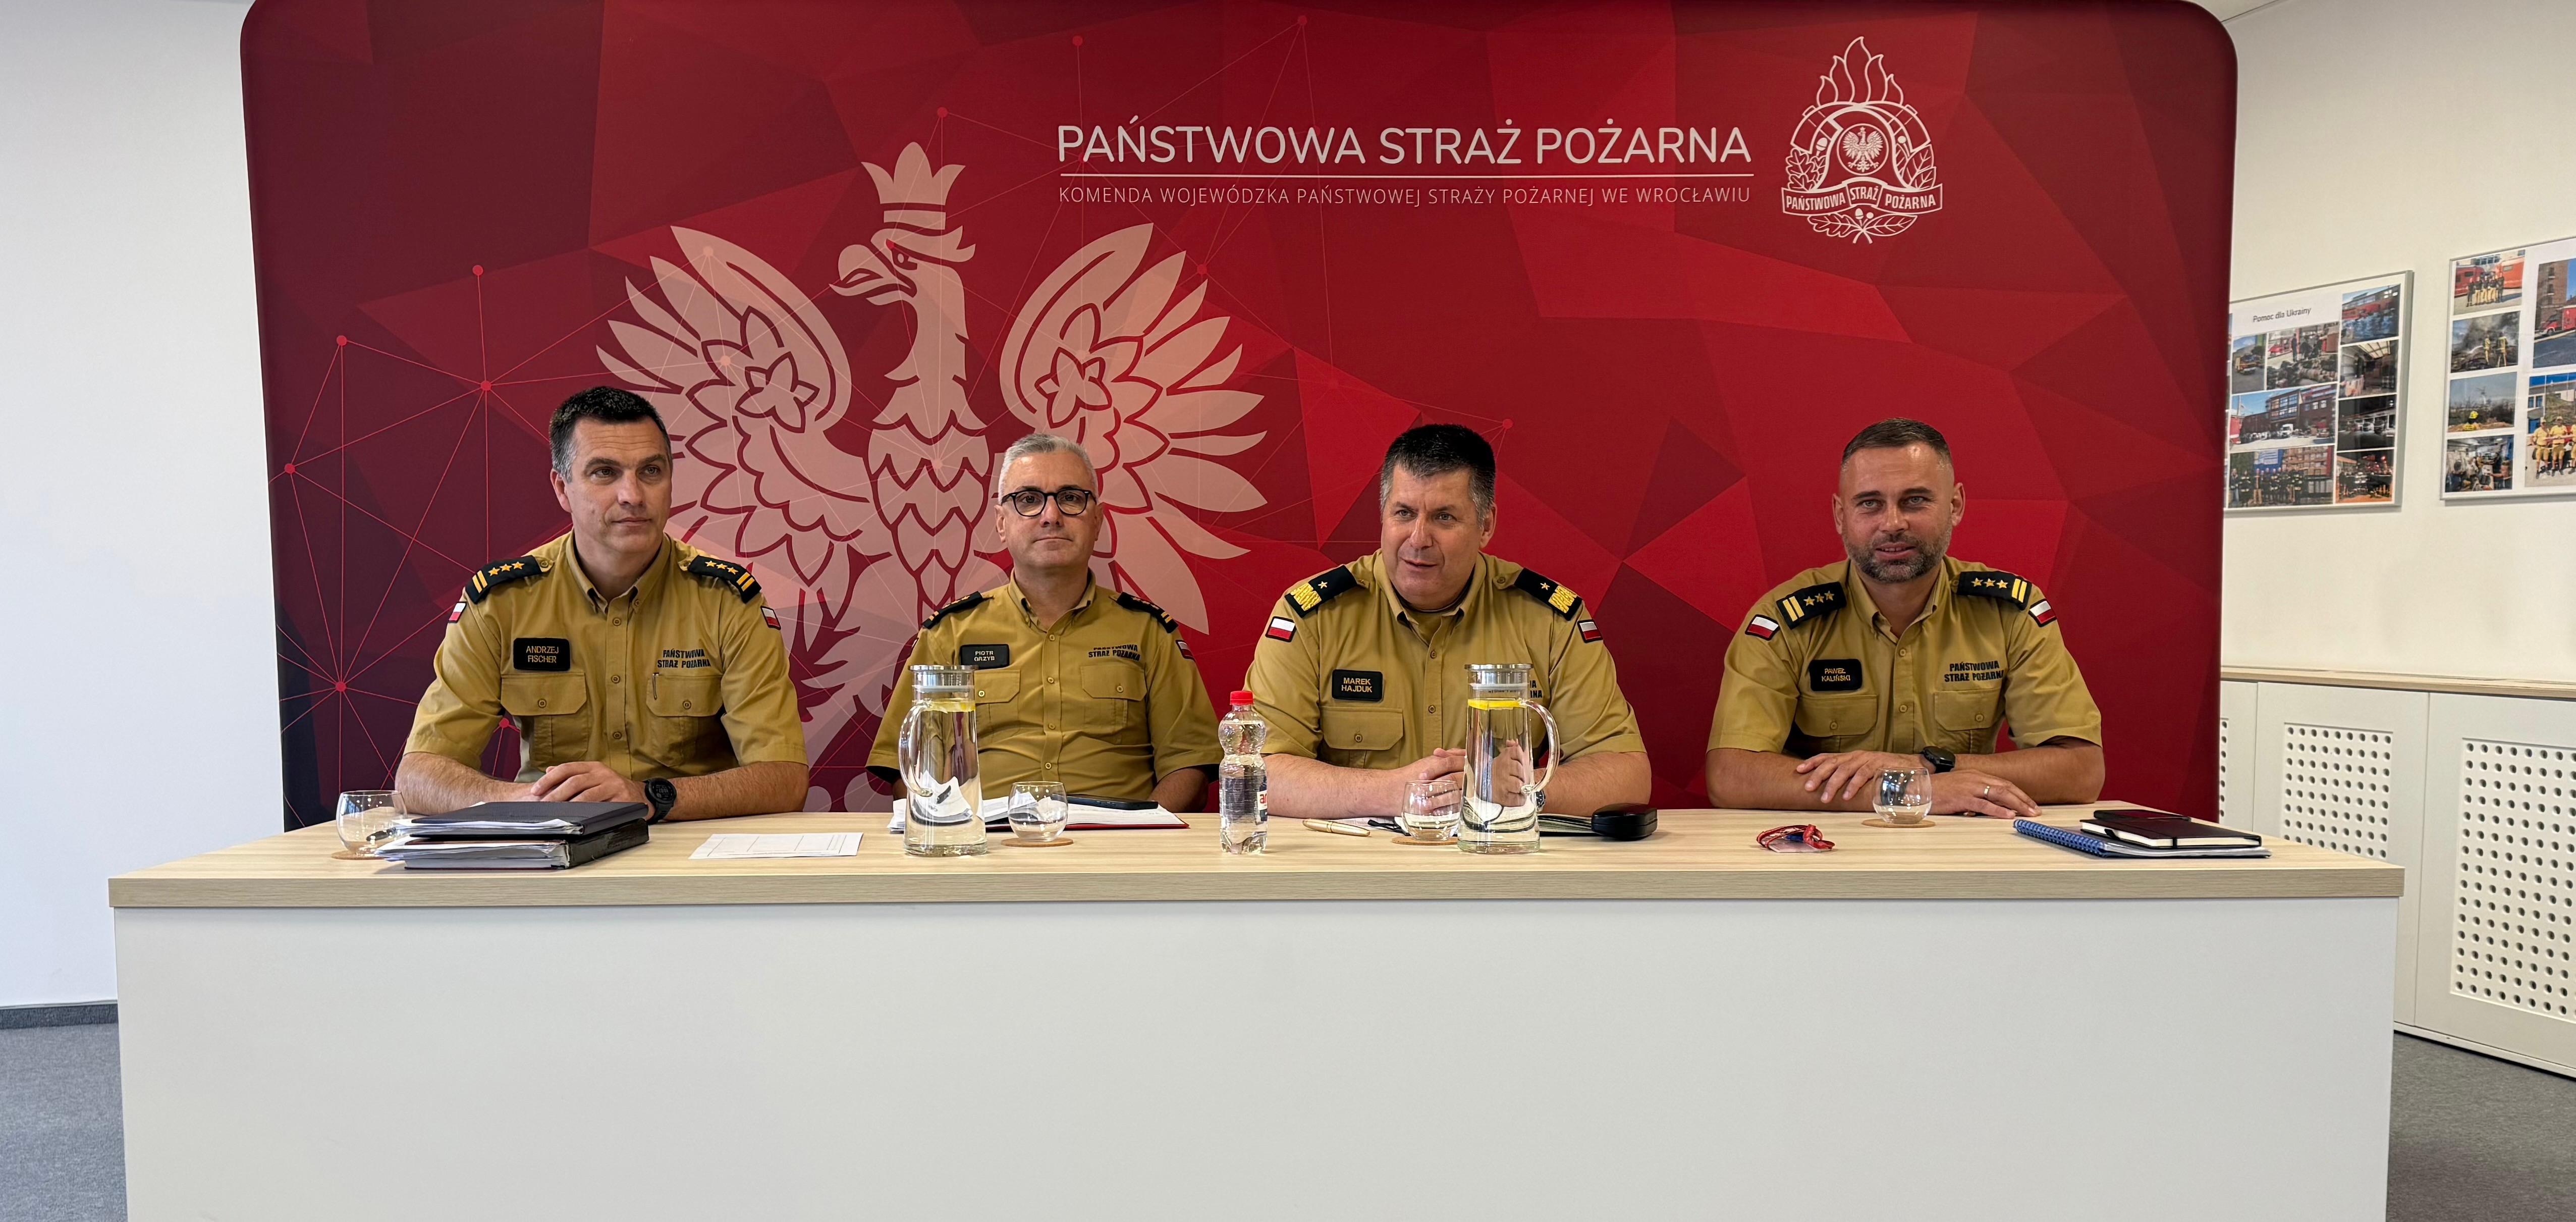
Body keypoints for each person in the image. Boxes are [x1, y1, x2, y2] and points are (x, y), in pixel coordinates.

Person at [397, 387, 808, 819]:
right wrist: (530, 803)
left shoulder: (727, 601)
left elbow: (784, 779)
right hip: (552, 845)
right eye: (604, 473)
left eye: (651, 471)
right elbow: (419, 776)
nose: (633, 495)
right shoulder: (503, 603)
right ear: (562, 488)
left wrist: (648, 797)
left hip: (685, 843)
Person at [1704, 418, 2104, 818]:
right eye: (1869, 503)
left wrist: (1922, 766)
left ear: (1955, 505)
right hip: (1826, 848)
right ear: (1840, 515)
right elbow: (1730, 774)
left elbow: (2081, 770)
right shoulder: (1784, 619)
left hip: (1964, 846)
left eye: (1915, 500)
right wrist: (1904, 790)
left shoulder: (2009, 612)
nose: (1892, 523)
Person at [1245, 424, 1650, 819]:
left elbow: (1626, 776)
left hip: (1496, 853)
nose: (1418, 538)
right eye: (1404, 513)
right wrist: (1404, 790)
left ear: (1485, 525)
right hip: (1356, 859)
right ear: (1382, 514)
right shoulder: (1314, 617)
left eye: (1443, 517)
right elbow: (1257, 770)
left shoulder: (1547, 620)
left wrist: (1519, 790)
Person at [869, 434, 1217, 810]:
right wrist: (953, 830)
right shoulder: (949, 634)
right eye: (1029, 500)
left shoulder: (1148, 631)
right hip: (985, 841)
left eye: (1071, 498)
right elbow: (910, 769)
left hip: (1119, 841)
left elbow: (1189, 764)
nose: (1051, 516)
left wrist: (1140, 835)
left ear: (1097, 521)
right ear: (1001, 523)